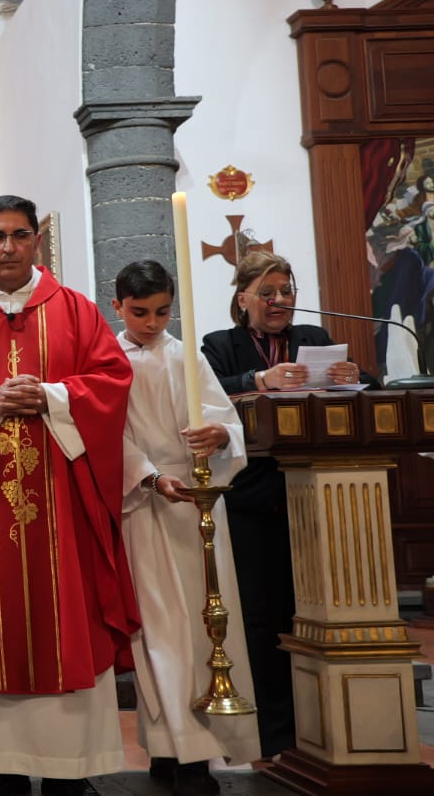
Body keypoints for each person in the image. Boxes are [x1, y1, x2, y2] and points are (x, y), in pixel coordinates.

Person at [0, 195, 138, 796]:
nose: (7, 246)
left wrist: (54, 397)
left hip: (62, 508)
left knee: (70, 617)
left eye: (18, 235)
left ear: (36, 241)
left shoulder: (77, 312)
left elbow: (113, 378)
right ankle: (2, 767)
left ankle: (71, 770)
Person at [199, 250, 365, 758]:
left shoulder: (313, 340)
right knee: (261, 616)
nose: (278, 301)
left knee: (313, 615)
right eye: (267, 293)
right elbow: (207, 394)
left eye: (286, 292)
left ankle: (324, 730)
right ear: (242, 297)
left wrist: (351, 378)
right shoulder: (221, 346)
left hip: (317, 499)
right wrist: (257, 381)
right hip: (253, 499)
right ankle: (272, 737)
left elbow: (367, 388)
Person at [112, 261, 260, 796]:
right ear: (118, 308)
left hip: (199, 502)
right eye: (140, 313)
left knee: (206, 628)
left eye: (162, 311)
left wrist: (219, 435)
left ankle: (198, 750)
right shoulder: (108, 362)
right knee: (158, 636)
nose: (152, 323)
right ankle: (169, 748)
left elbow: (228, 422)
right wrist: (151, 477)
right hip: (145, 505)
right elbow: (109, 437)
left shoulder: (186, 355)